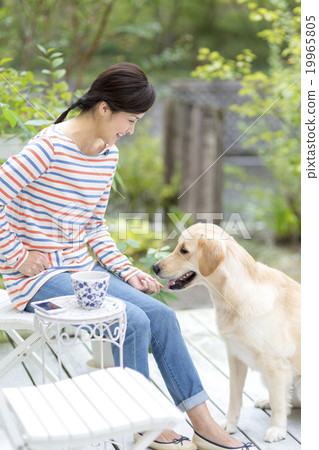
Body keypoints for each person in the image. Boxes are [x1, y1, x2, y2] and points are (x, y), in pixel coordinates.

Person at [0, 62, 255, 450]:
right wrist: (16, 256)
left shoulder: (107, 155)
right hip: (35, 279)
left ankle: (204, 424)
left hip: (81, 273)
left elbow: (93, 227)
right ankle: (139, 422)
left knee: (163, 317)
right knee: (132, 320)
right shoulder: (48, 148)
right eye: (130, 120)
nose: (131, 131)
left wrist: (126, 271)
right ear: (104, 108)